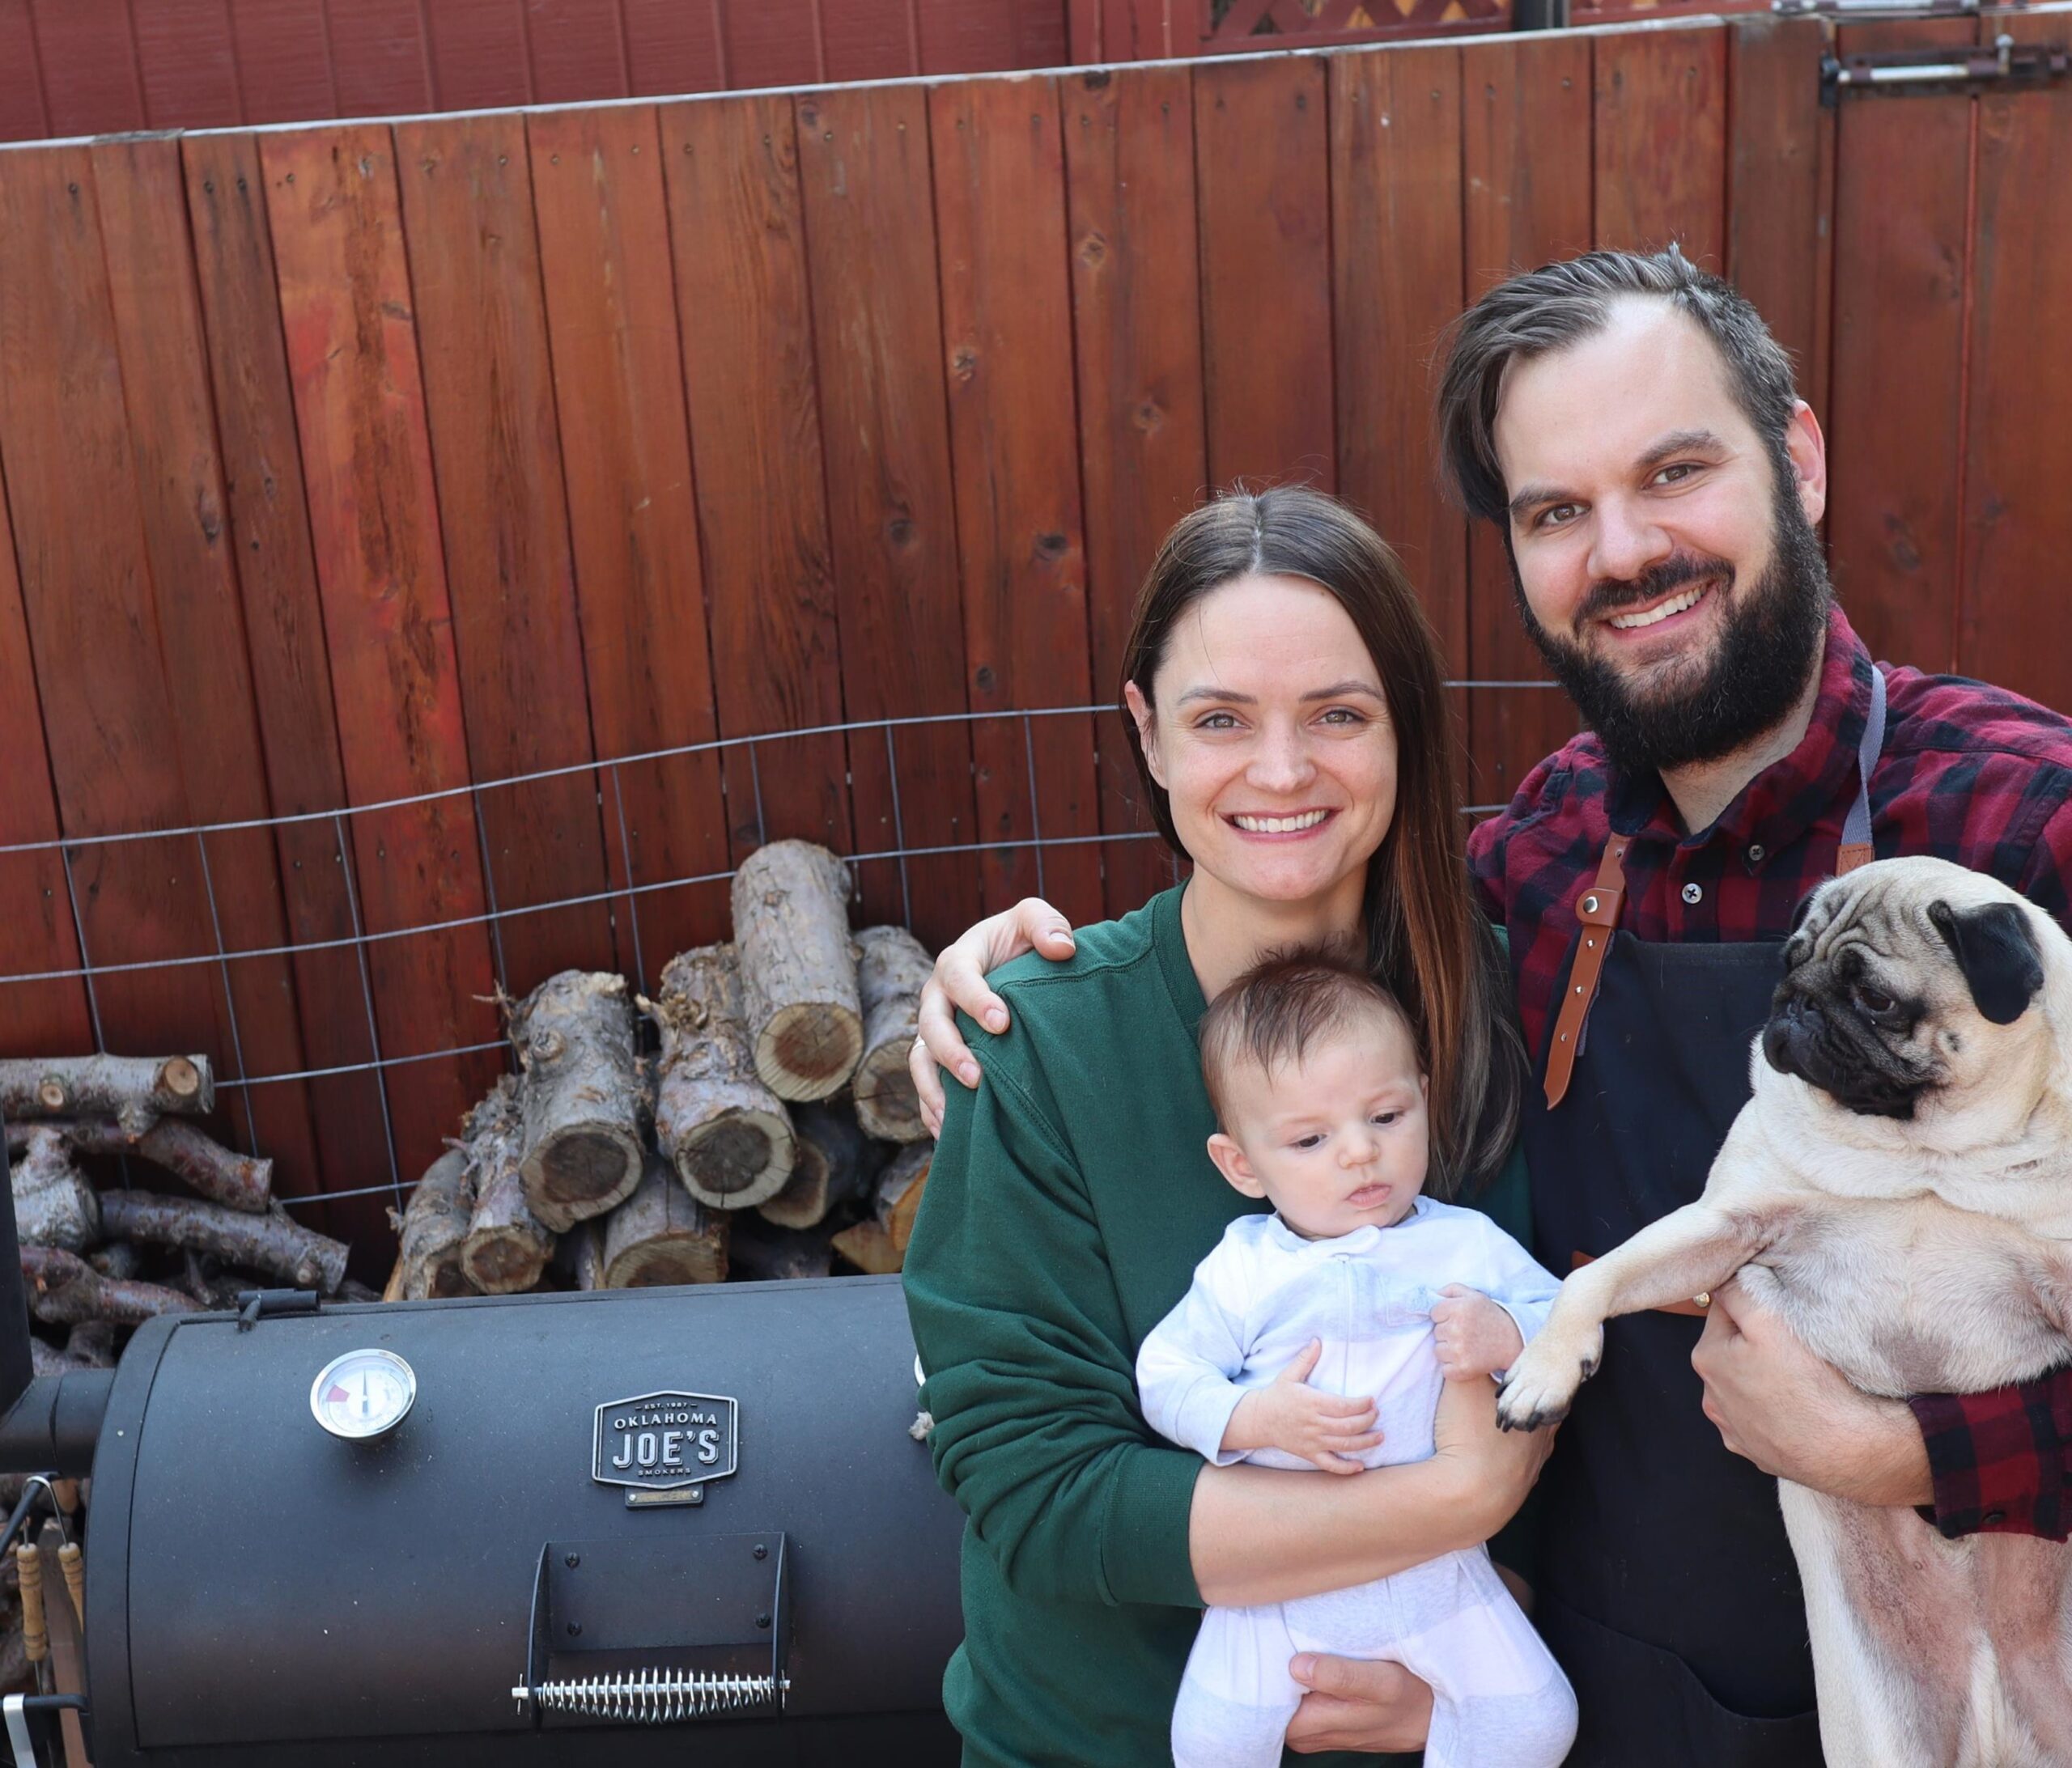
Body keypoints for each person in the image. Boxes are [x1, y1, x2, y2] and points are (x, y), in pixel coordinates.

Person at [911, 247, 2072, 1764]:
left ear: (1797, 457)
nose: (1628, 548)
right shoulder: (1530, 875)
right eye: (1555, 512)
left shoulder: (2025, 832)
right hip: (1594, 1705)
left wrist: (1900, 1452)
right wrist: (993, 973)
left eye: (1676, 470)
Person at [900, 485, 1550, 1768]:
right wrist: (1454, 1499)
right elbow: (1035, 1483)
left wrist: (1491, 1649)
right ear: (1145, 733)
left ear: (1405, 728)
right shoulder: (1040, 1045)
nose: (1282, 771)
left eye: (1338, 715)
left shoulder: (1510, 1005)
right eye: (1219, 720)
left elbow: (1599, 1384)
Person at [1139, 948, 1574, 1768]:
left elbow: (1566, 1322)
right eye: (1309, 1137)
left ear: (1423, 1101)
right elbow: (1165, 1374)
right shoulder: (1244, 1269)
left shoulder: (1463, 1244)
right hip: (1274, 1586)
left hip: (1439, 1573)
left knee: (1537, 1722)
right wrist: (1250, 1415)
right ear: (1241, 1164)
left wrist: (1507, 1335)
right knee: (1208, 1742)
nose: (1358, 1153)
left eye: (1385, 1117)